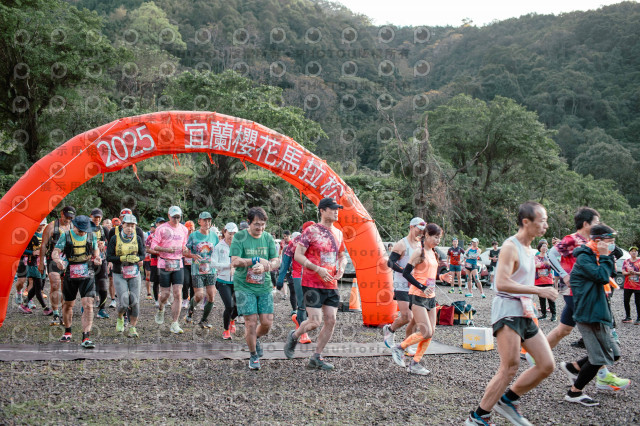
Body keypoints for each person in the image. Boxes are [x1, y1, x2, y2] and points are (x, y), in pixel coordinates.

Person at [466, 202, 558, 426]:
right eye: (542, 220)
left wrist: (532, 297)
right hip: (507, 311)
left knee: (546, 364)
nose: (545, 225)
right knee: (510, 366)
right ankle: (478, 417)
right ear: (526, 222)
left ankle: (508, 400)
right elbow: (501, 283)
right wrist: (538, 290)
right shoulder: (510, 246)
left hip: (524, 311)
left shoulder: (530, 249)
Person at [562, 224, 630, 406]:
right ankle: (574, 392)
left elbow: (610, 273)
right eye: (610, 240)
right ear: (598, 240)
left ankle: (574, 367)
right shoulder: (585, 258)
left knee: (613, 353)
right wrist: (606, 256)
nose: (613, 244)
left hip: (598, 311)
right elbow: (602, 276)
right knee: (599, 358)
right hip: (590, 314)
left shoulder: (596, 256)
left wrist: (608, 255)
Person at [284, 198, 347, 371]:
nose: (336, 211)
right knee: (314, 321)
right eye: (332, 208)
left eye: (338, 209)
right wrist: (317, 269)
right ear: (322, 210)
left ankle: (316, 357)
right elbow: (298, 255)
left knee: (331, 320)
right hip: (312, 282)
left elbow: (342, 256)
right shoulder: (311, 231)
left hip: (331, 283)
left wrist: (341, 268)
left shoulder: (339, 233)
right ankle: (294, 336)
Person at [390, 223, 451, 375]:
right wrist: (422, 287)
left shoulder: (434, 252)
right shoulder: (419, 252)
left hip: (431, 296)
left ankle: (415, 363)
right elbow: (406, 273)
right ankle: (399, 347)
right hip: (417, 295)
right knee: (426, 331)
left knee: (431, 332)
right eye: (435, 237)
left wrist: (441, 277)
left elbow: (430, 274)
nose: (438, 240)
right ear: (427, 235)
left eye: (439, 238)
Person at [230, 207, 280, 370]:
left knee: (267, 323)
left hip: (264, 286)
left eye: (263, 224)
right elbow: (235, 261)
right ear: (249, 223)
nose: (260, 228)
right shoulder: (239, 237)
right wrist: (255, 260)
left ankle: (255, 338)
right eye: (257, 224)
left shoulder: (268, 238)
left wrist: (266, 267)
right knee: (250, 322)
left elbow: (276, 261)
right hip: (244, 286)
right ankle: (253, 356)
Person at [51, 215, 101, 348]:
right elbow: (55, 252)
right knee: (68, 305)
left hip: (87, 271)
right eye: (80, 230)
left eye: (85, 230)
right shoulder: (66, 236)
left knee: (88, 304)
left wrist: (97, 257)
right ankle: (68, 331)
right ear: (74, 227)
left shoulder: (91, 235)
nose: (83, 233)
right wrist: (58, 261)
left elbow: (96, 249)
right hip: (70, 272)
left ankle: (86, 337)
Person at [383, 217, 425, 349]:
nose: (421, 232)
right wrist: (405, 272)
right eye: (419, 229)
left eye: (423, 230)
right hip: (401, 284)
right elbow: (390, 263)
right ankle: (390, 330)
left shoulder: (420, 245)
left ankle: (407, 345)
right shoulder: (402, 244)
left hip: (414, 284)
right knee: (407, 317)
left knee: (416, 318)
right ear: (411, 227)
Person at [151, 206, 191, 334]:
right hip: (164, 263)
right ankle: (161, 308)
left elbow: (184, 245)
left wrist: (185, 249)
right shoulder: (161, 228)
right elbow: (153, 246)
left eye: (178, 217)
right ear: (169, 216)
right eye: (174, 217)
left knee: (178, 293)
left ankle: (175, 323)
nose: (176, 219)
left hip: (178, 263)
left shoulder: (184, 229)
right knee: (165, 294)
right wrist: (166, 250)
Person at [106, 214, 145, 337]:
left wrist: (138, 258)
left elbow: (143, 254)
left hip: (134, 272)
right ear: (122, 225)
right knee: (124, 303)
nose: (130, 228)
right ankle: (120, 317)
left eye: (132, 226)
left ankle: (132, 327)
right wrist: (121, 258)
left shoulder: (138, 238)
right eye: (127, 225)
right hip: (119, 272)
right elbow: (109, 256)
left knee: (135, 302)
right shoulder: (115, 238)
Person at [277, 223, 314, 344]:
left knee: (311, 304)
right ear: (303, 231)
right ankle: (304, 334)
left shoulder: (318, 241)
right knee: (302, 304)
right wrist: (280, 279)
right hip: (299, 276)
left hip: (313, 276)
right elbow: (285, 262)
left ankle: (298, 320)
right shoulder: (295, 242)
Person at [39, 205, 75, 326]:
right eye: (66, 217)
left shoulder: (73, 227)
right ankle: (55, 313)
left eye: (70, 218)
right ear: (61, 214)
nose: (68, 220)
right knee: (55, 284)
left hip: (67, 260)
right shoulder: (51, 226)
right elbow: (43, 245)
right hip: (53, 259)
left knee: (66, 287)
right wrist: (41, 263)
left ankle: (64, 313)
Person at [186, 212, 219, 326]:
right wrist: (192, 255)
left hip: (211, 270)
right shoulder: (193, 235)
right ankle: (190, 310)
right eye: (204, 220)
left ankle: (203, 320)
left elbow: (217, 251)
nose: (207, 222)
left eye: (209, 220)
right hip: (197, 270)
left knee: (211, 296)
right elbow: (185, 252)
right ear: (199, 221)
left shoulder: (214, 236)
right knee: (199, 295)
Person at [18, 218, 51, 315]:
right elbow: (20, 249)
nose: (41, 227)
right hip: (32, 263)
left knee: (40, 285)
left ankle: (24, 305)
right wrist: (32, 252)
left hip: (42, 262)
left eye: (43, 225)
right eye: (40, 225)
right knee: (38, 286)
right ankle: (45, 308)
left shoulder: (44, 234)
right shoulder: (29, 235)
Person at [212, 222, 238, 336]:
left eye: (234, 234)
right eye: (229, 233)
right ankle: (226, 330)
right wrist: (228, 266)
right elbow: (213, 264)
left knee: (239, 306)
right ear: (224, 232)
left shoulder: (239, 246)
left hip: (237, 281)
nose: (232, 236)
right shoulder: (219, 246)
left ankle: (232, 319)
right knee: (229, 305)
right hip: (222, 281)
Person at [90, 208, 110, 319]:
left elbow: (111, 243)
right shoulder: (86, 228)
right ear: (91, 216)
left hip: (101, 260)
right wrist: (93, 244)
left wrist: (104, 244)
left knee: (103, 284)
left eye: (99, 217)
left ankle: (102, 309)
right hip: (88, 260)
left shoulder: (104, 229)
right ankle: (86, 307)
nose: (97, 219)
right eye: (95, 217)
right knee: (88, 284)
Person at [535, 240, 556, 321]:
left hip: (548, 280)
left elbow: (552, 265)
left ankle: (554, 315)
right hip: (539, 280)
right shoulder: (536, 257)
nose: (545, 248)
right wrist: (545, 264)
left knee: (550, 297)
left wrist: (542, 265)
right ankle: (544, 314)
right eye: (543, 246)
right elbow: (535, 265)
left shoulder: (549, 256)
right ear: (540, 248)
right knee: (541, 299)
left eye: (546, 247)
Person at [621, 246, 640, 324]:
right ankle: (628, 317)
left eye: (635, 251)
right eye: (632, 251)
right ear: (629, 252)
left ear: (637, 252)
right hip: (628, 285)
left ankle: (639, 318)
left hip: (638, 285)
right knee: (626, 300)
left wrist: (636, 273)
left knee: (638, 302)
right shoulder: (626, 261)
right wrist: (628, 272)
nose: (634, 252)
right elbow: (623, 272)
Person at [182, 220, 196, 310]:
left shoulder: (197, 238)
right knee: (185, 282)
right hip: (185, 263)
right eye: (189, 230)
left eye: (192, 230)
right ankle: (184, 299)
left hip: (194, 264)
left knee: (193, 284)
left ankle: (192, 301)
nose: (190, 231)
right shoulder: (183, 238)